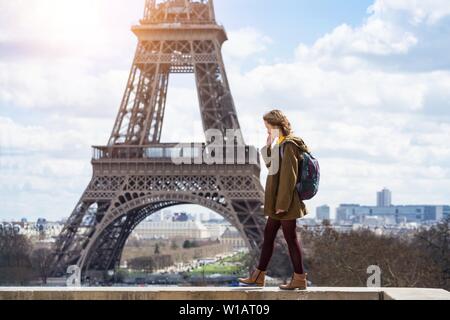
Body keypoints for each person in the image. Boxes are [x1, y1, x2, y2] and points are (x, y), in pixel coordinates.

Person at [238, 109, 311, 290]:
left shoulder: (290, 145)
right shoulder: (281, 144)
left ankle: (299, 278)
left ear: (277, 126)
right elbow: (272, 167)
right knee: (269, 236)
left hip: (285, 203)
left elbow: (289, 177)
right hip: (279, 200)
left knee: (290, 239)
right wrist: (269, 146)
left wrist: (282, 205)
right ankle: (259, 275)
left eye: (268, 128)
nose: (267, 131)